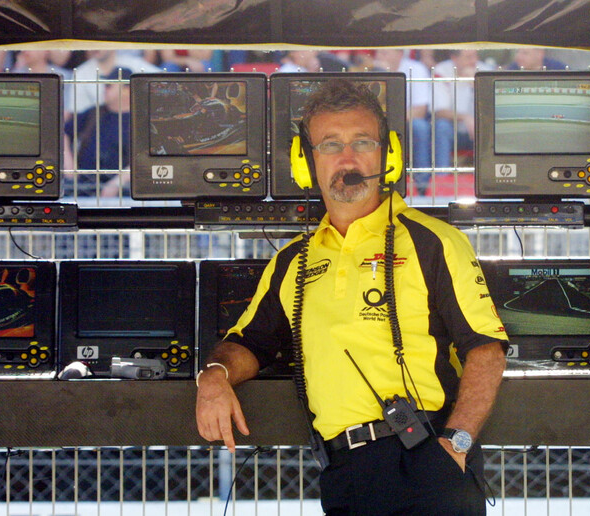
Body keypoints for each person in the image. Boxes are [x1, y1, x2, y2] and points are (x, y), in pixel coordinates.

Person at [196, 79, 508, 515]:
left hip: (429, 460)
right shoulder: (292, 262)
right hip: (343, 473)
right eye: (330, 145)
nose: (348, 158)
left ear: (388, 155)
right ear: (305, 162)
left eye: (362, 142)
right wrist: (213, 376)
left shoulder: (433, 241)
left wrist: (453, 447)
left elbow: (486, 351)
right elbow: (248, 344)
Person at [63, 68, 132, 198]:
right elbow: (63, 133)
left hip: (121, 190)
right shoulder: (93, 114)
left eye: (109, 86)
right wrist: (69, 168)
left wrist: (119, 182)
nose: (104, 89)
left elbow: (146, 158)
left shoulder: (140, 119)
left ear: (127, 89)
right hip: (84, 185)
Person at [374, 48, 433, 195]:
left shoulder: (416, 69)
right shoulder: (373, 71)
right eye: (378, 52)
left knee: (420, 127)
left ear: (400, 54)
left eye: (385, 52)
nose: (380, 56)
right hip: (377, 121)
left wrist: (392, 119)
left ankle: (422, 184)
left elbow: (420, 111)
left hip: (408, 121)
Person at [433, 50, 492, 168]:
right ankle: (441, 176)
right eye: (468, 57)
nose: (474, 61)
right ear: (454, 58)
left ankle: (488, 176)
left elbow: (493, 109)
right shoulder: (441, 71)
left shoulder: (486, 70)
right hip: (453, 130)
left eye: (475, 56)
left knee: (491, 127)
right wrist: (465, 117)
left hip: (480, 129)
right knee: (441, 126)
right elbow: (439, 111)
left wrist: (477, 85)